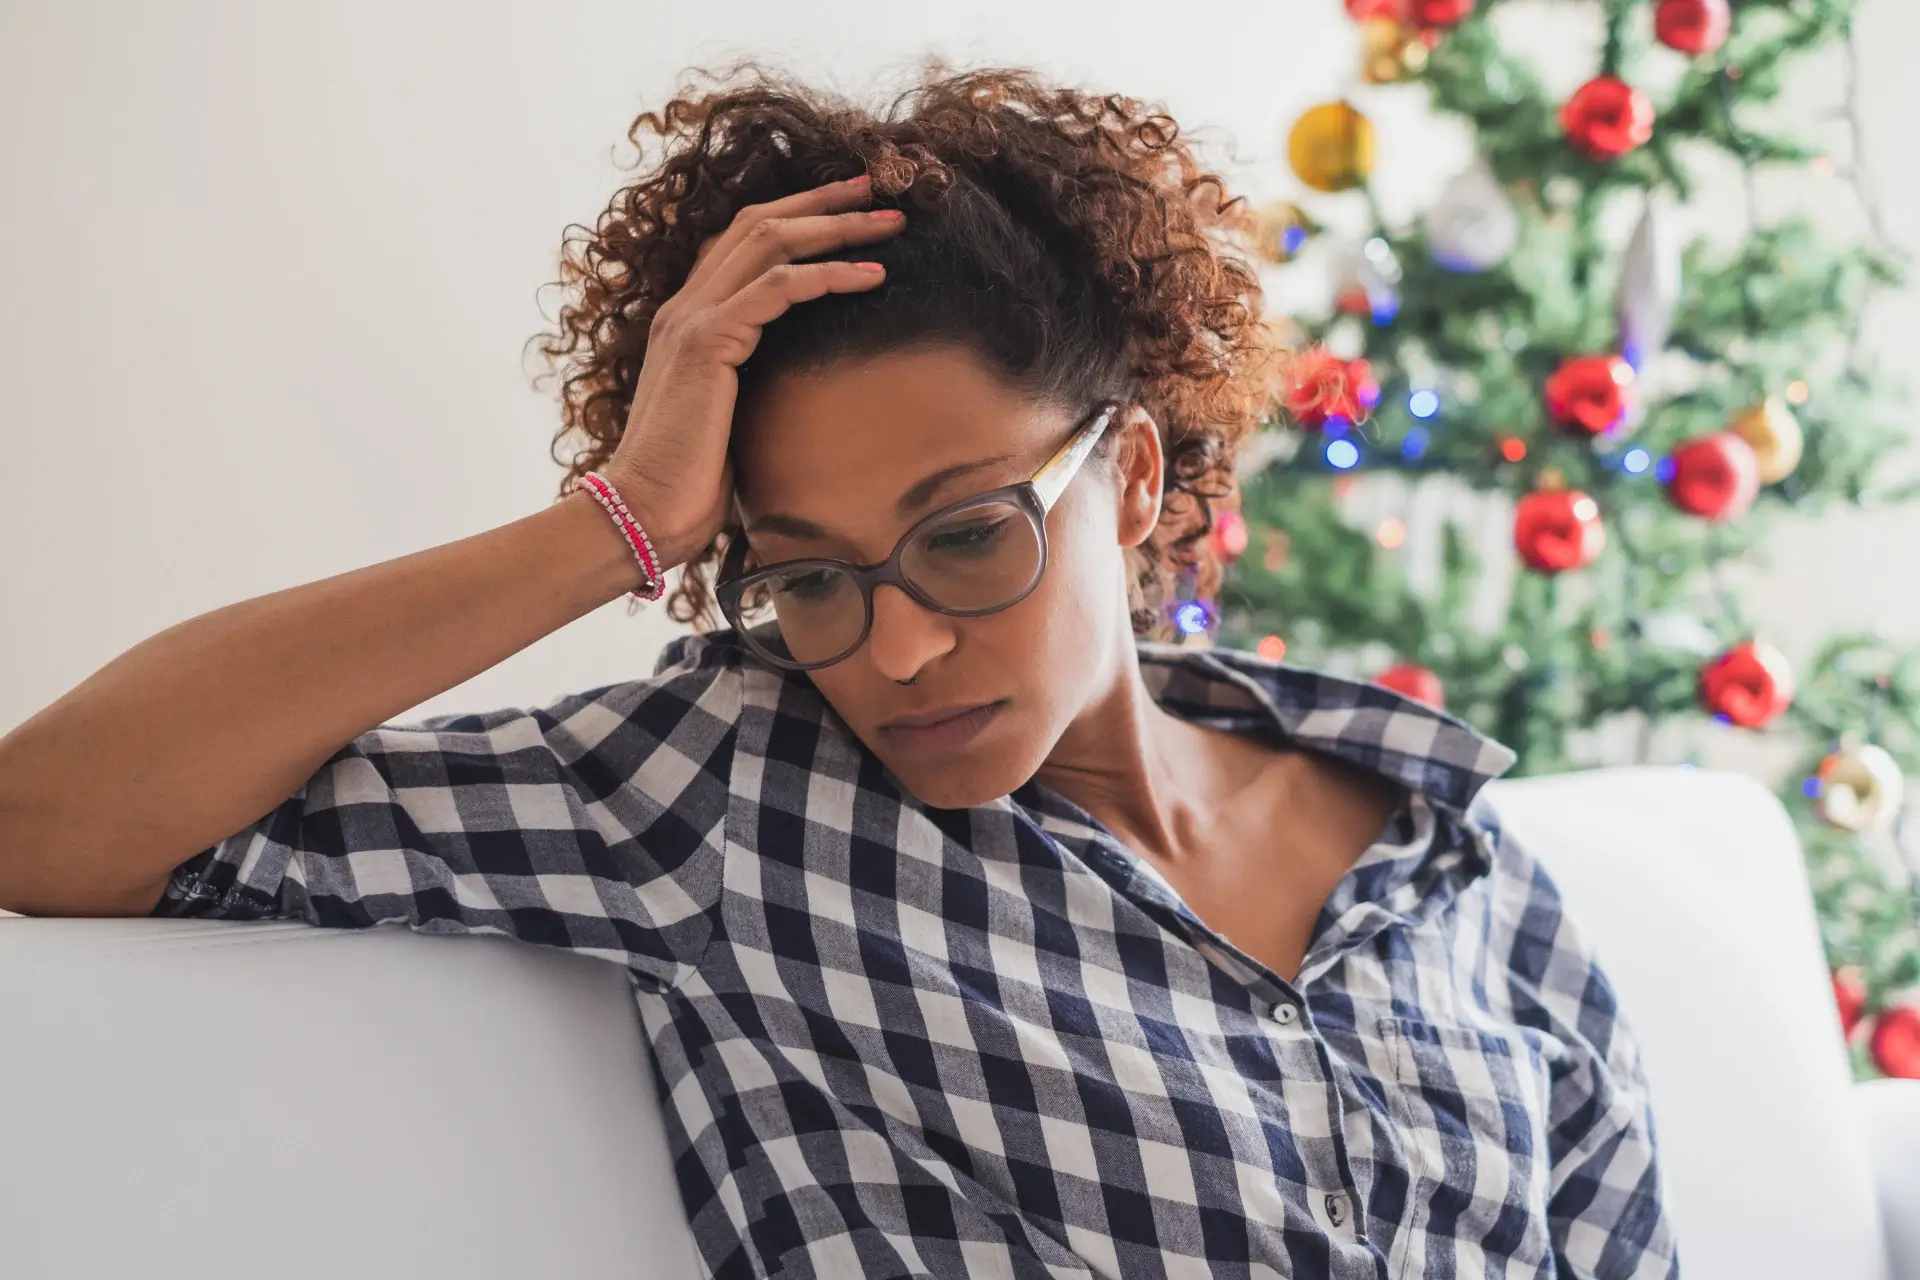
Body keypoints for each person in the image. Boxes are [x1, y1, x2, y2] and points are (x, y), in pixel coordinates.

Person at [0, 59, 1678, 1280]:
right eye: (809, 574)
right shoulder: (726, 794)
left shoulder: (1447, 853)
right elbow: (50, 818)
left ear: (1140, 481)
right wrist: (621, 524)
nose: (897, 647)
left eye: (966, 536)